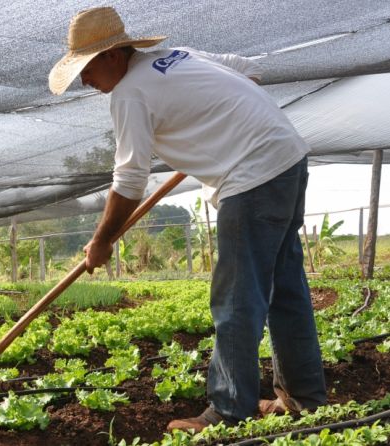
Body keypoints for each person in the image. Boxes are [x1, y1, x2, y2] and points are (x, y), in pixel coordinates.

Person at [49, 6, 326, 432]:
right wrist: (218, 117)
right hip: (287, 158)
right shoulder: (177, 56)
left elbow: (129, 180)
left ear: (112, 56)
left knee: (237, 297)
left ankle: (229, 412)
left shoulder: (129, 93)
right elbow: (245, 70)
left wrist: (103, 240)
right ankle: (303, 398)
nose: (85, 81)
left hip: (251, 178)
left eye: (86, 69)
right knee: (284, 286)